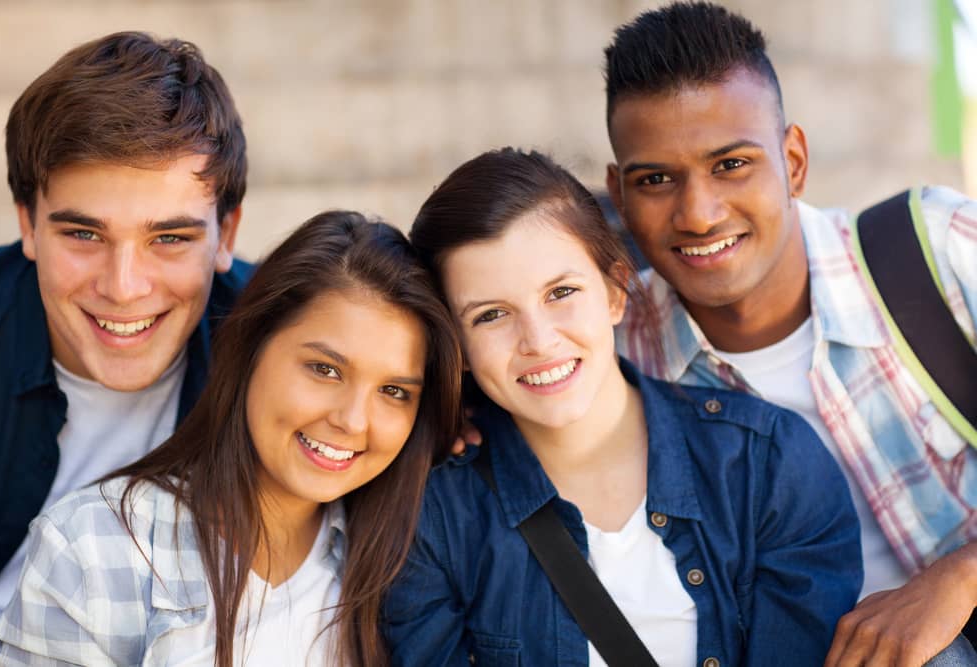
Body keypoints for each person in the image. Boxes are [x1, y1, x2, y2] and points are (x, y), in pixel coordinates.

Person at [383, 147, 862, 666]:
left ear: (614, 292)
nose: (539, 341)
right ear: (455, 346)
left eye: (561, 292)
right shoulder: (431, 519)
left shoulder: (768, 465)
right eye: (492, 315)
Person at [603, 3, 977, 664]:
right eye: (656, 180)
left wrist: (959, 579)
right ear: (620, 192)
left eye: (732, 164)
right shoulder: (612, 353)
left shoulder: (936, 251)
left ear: (794, 160)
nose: (698, 213)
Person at [0, 211, 463, 666]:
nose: (353, 421)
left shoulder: (407, 562)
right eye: (325, 369)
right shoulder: (93, 547)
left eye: (394, 391)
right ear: (251, 349)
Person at [0, 31, 252, 659]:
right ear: (27, 222)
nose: (124, 288)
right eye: (84, 233)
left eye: (171, 239)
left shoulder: (282, 337)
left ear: (225, 232)